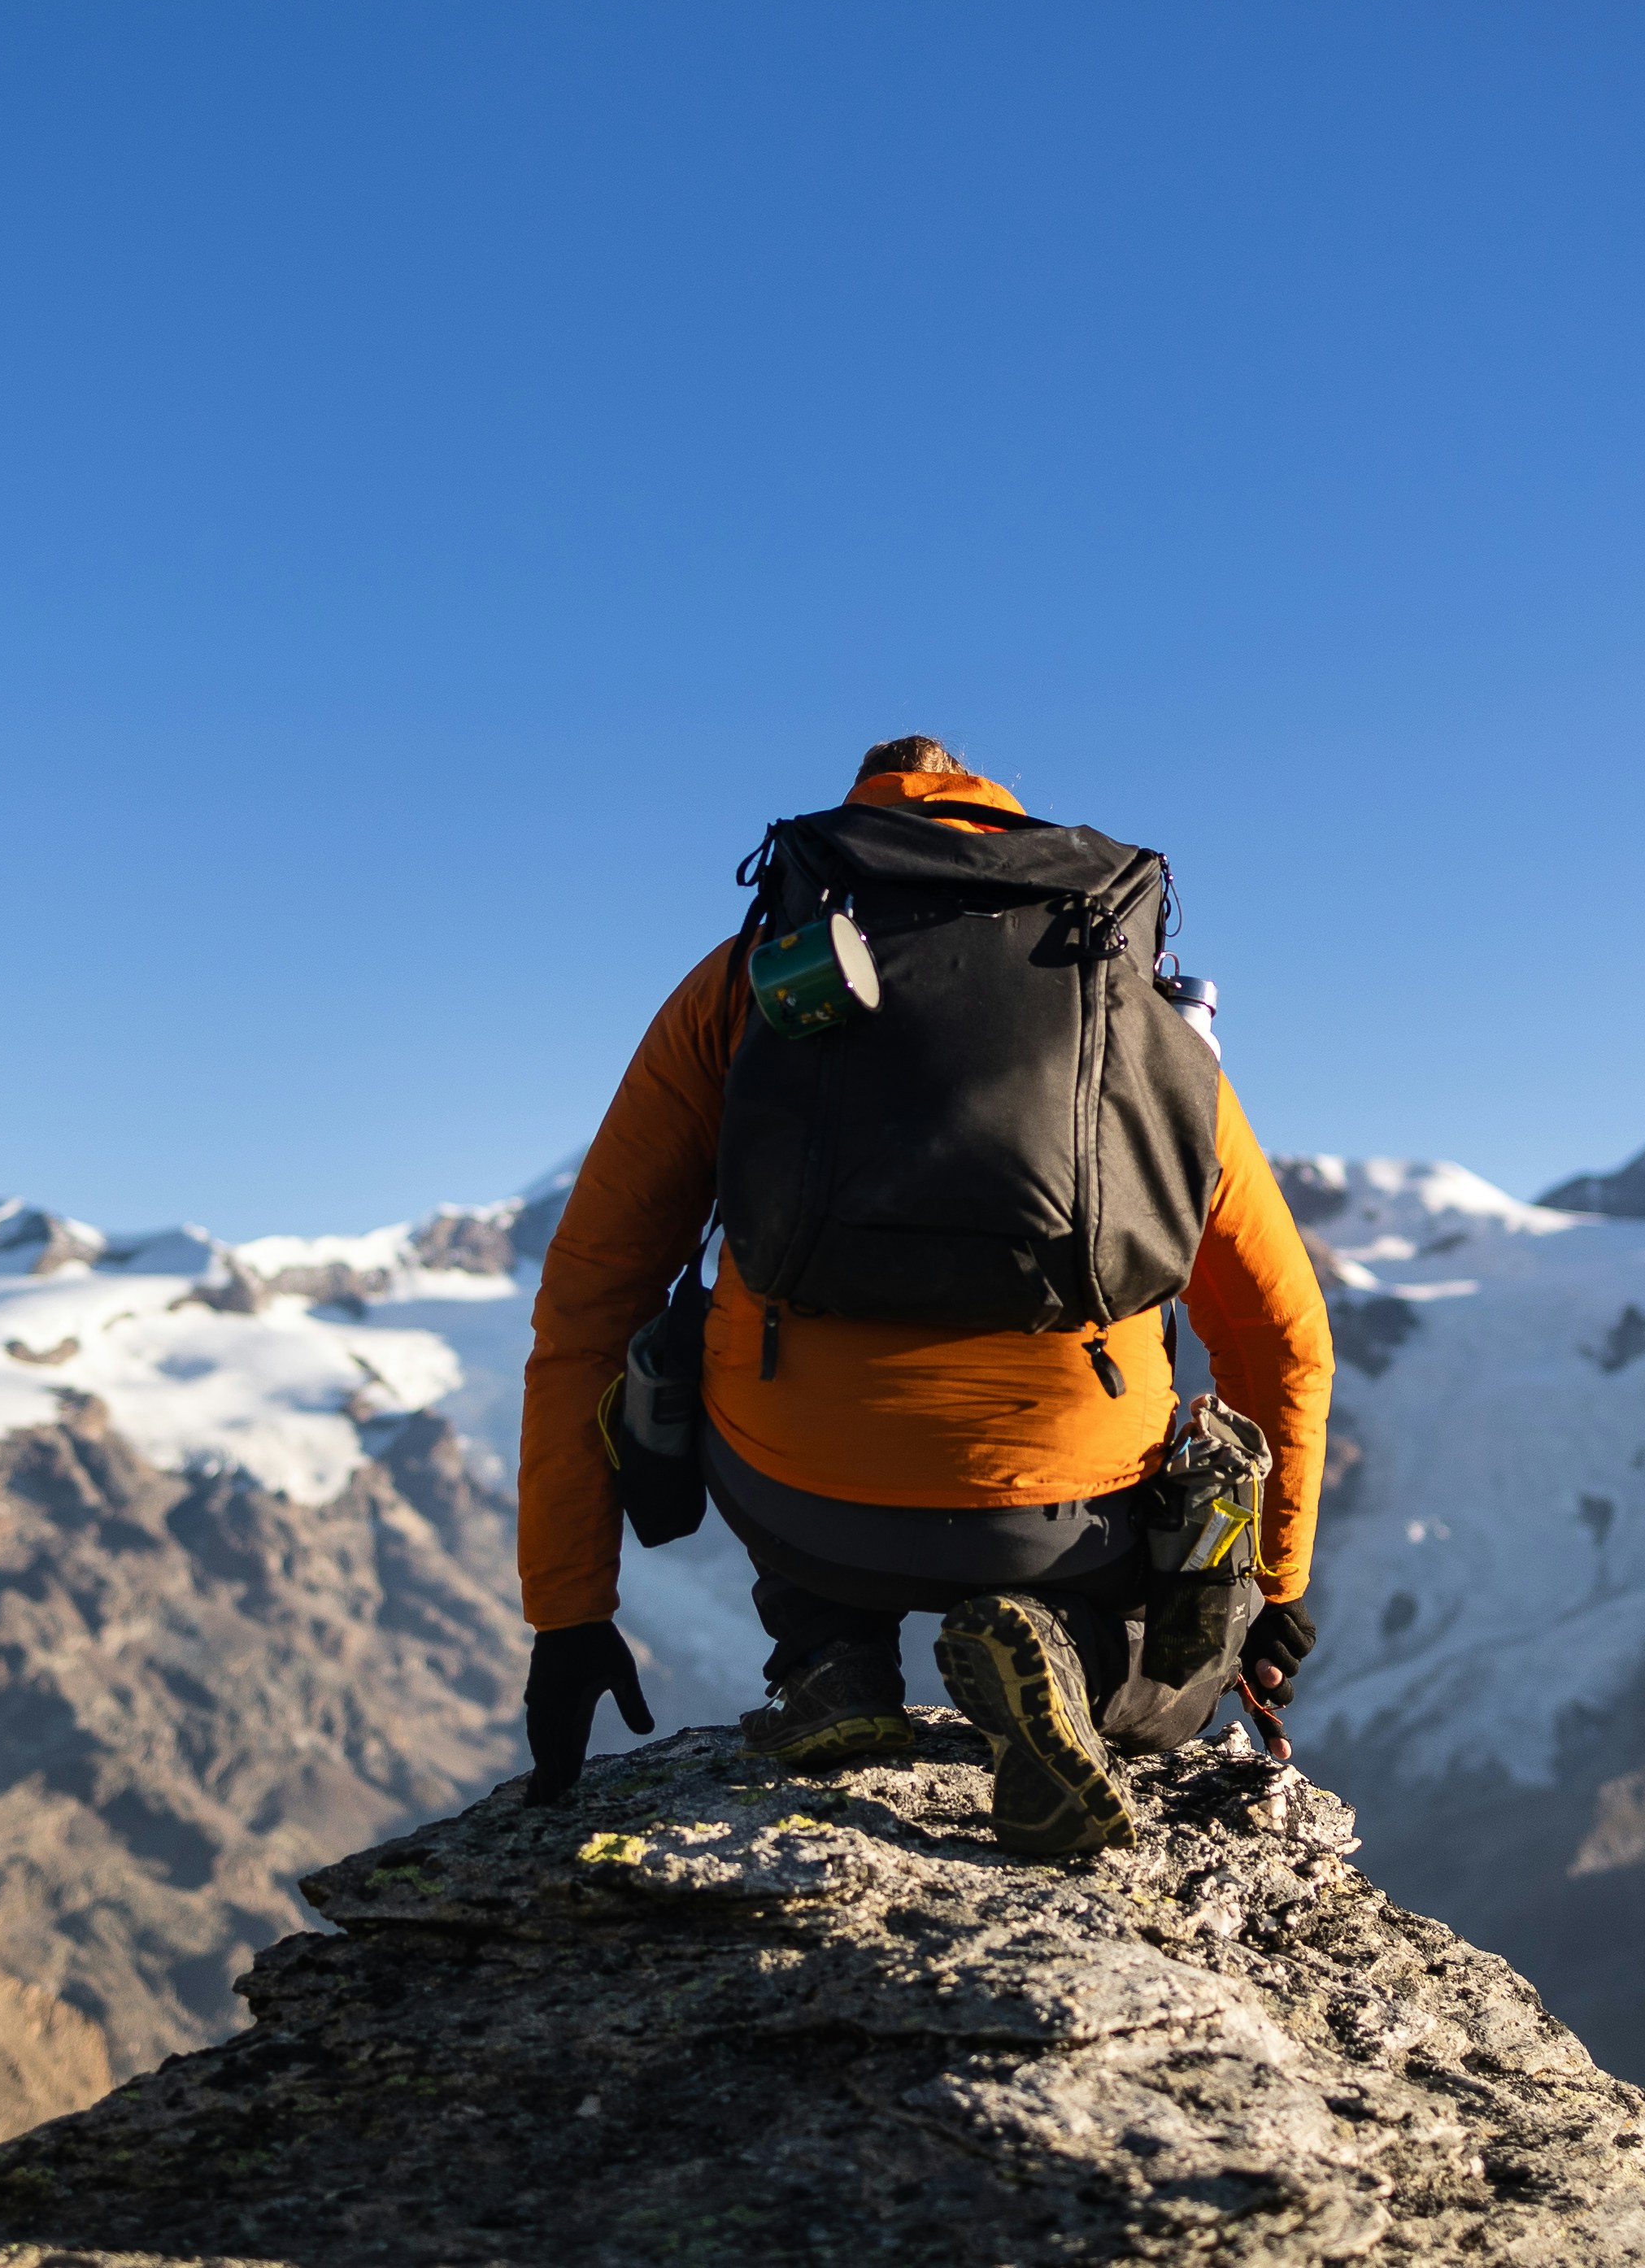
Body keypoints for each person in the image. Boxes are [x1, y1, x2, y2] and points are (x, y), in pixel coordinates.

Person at [514, 734, 1334, 1857]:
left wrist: (569, 1612)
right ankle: (1082, 1665)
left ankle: (826, 1663)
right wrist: (1275, 1581)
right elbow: (1279, 1332)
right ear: (1004, 826)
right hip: (1069, 1514)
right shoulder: (1124, 993)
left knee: (726, 1320)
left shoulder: (754, 974)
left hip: (797, 1493)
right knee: (1181, 1671)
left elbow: (589, 1299)